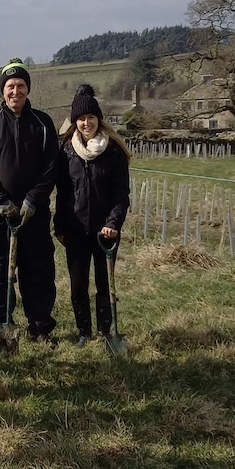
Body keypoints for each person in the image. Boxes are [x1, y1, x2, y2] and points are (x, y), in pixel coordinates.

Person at [0, 58, 60, 344]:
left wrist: (33, 200)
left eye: (20, 85)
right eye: (10, 86)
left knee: (38, 270)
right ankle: (1, 323)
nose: (15, 91)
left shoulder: (43, 123)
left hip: (33, 214)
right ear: (3, 90)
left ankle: (40, 326)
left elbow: (51, 167)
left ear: (27, 89)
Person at [53, 84, 131, 347]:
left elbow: (121, 194)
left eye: (91, 118)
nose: (86, 123)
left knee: (104, 283)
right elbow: (62, 193)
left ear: (99, 120)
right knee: (77, 286)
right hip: (75, 230)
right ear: (75, 122)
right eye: (81, 119)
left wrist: (112, 224)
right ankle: (83, 331)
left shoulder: (113, 152)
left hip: (104, 233)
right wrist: (60, 225)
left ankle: (105, 331)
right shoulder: (66, 152)